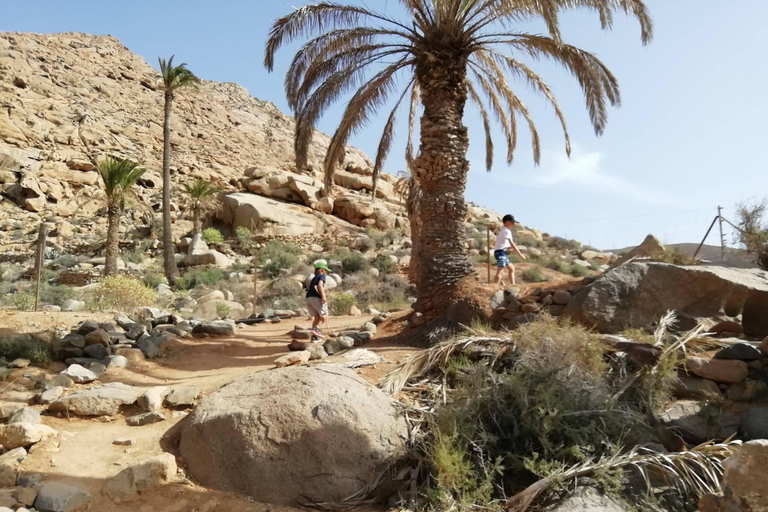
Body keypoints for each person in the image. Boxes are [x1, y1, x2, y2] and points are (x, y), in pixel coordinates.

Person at [493, 214, 526, 286]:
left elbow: (504, 245)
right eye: (512, 222)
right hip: (500, 253)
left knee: (511, 269)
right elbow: (512, 243)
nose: (513, 224)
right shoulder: (506, 231)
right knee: (500, 271)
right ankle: (494, 287)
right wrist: (520, 255)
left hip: (501, 252)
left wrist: (509, 248)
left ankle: (513, 285)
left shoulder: (503, 230)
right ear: (507, 222)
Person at [306, 260, 330, 342]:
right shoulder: (322, 276)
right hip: (315, 298)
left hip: (308, 298)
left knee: (316, 317)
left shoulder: (313, 278)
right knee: (323, 316)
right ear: (322, 270)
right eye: (325, 270)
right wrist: (323, 296)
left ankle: (314, 337)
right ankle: (316, 330)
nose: (326, 272)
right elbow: (320, 285)